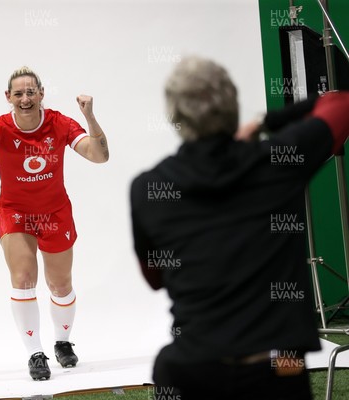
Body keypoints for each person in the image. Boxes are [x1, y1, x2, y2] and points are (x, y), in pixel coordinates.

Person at [130, 55, 349, 399]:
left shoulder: (147, 188)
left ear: (175, 116)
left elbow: (155, 277)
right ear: (232, 106)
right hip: (278, 367)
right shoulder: (277, 160)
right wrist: (264, 121)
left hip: (190, 368)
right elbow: (340, 103)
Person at [0, 66, 109, 380]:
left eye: (30, 92)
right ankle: (35, 354)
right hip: (16, 214)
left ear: (41, 94)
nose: (25, 98)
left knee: (60, 285)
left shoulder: (60, 123)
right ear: (8, 97)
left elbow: (99, 156)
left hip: (55, 214)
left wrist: (90, 116)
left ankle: (63, 343)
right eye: (18, 93)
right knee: (23, 278)